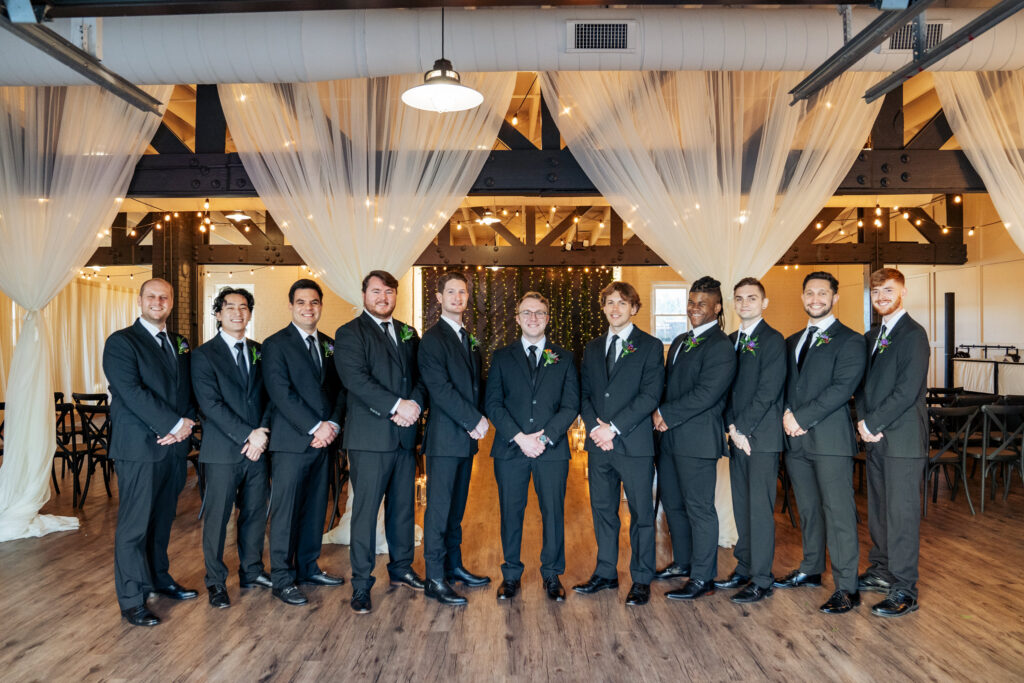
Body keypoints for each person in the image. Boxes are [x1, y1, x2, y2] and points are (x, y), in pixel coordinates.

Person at [102, 278, 198, 627]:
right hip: (141, 447)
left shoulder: (180, 343)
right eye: (152, 296)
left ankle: (159, 578)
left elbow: (187, 388)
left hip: (173, 448)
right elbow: (131, 391)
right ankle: (131, 599)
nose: (158, 301)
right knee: (134, 527)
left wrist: (185, 424)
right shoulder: (121, 342)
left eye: (164, 297)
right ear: (140, 301)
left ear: (171, 302)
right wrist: (172, 425)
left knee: (161, 521)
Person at [334, 270, 427, 615]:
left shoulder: (408, 332)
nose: (383, 297)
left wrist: (413, 406)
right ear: (364, 295)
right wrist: (396, 406)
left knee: (404, 508)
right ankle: (361, 582)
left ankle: (402, 567)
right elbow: (355, 380)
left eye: (389, 292)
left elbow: (420, 376)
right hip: (370, 437)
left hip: (404, 436)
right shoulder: (349, 334)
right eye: (376, 291)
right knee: (365, 511)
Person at [775, 271, 866, 614]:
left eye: (823, 293)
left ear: (834, 297)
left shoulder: (851, 340)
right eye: (810, 293)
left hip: (829, 440)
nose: (816, 299)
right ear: (802, 297)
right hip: (796, 442)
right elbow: (785, 385)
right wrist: (787, 414)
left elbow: (842, 388)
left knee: (838, 513)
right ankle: (811, 569)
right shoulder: (792, 340)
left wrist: (801, 418)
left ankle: (847, 587)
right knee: (809, 511)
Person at [484, 292, 580, 602]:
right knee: (511, 513)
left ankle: (552, 574)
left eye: (539, 312)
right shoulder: (501, 357)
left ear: (548, 318)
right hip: (511, 450)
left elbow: (571, 405)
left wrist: (545, 437)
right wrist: (519, 437)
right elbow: (493, 404)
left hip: (551, 451)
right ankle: (510, 574)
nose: (533, 318)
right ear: (517, 318)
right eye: (527, 312)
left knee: (553, 512)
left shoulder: (564, 357)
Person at [574, 281, 664, 606]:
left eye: (622, 303)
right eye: (610, 302)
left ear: (634, 308)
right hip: (599, 446)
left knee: (641, 514)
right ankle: (606, 572)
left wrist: (613, 428)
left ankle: (641, 578)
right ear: (604, 308)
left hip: (634, 445)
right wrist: (596, 430)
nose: (615, 308)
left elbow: (650, 395)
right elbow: (584, 393)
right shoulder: (593, 347)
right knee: (603, 511)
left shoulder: (651, 346)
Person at [262, 278, 346, 607]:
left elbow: (340, 390)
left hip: (325, 442)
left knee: (314, 509)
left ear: (320, 306)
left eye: (313, 302)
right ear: (291, 306)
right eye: (301, 302)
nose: (308, 308)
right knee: (285, 512)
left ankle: (308, 567)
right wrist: (314, 427)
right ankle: (282, 577)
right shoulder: (275, 344)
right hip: (292, 442)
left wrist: (334, 425)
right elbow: (281, 393)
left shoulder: (329, 344)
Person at [654, 276, 736, 602]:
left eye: (702, 304)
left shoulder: (721, 346)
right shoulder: (678, 341)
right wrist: (656, 414)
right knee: (673, 505)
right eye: (691, 303)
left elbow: (706, 395)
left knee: (700, 509)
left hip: (698, 442)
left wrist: (664, 414)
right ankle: (683, 562)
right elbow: (667, 386)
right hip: (669, 439)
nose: (694, 309)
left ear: (717, 308)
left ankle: (703, 577)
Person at [191, 287, 272, 609]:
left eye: (243, 307)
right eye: (230, 308)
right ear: (218, 314)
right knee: (217, 519)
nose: (237, 313)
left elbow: (269, 397)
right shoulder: (202, 355)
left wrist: (261, 434)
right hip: (222, 452)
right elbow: (209, 404)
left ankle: (251, 571)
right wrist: (247, 435)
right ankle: (215, 582)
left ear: (250, 313)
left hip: (257, 450)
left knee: (253, 514)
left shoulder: (260, 351)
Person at [855, 268, 929, 617]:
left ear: (902, 291)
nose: (881, 296)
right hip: (875, 438)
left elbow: (907, 390)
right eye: (875, 292)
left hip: (902, 440)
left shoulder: (914, 335)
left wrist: (873, 422)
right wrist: (864, 423)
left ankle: (904, 589)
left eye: (888, 290)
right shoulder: (872, 336)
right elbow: (865, 386)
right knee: (880, 510)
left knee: (901, 515)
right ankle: (883, 570)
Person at [418, 271, 490, 606]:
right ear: (439, 297)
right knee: (438, 509)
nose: (458, 297)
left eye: (462, 292)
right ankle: (434, 577)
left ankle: (454, 566)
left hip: (465, 441)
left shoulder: (468, 338)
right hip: (445, 439)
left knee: (456, 509)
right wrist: (473, 419)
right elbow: (440, 389)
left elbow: (476, 385)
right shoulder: (432, 339)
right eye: (451, 292)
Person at [720, 277, 786, 603]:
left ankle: (762, 578)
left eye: (751, 298)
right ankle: (744, 567)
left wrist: (742, 429)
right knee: (741, 506)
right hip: (737, 436)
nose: (745, 303)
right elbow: (726, 390)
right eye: (740, 298)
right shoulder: (730, 340)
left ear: (764, 302)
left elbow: (768, 391)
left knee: (760, 510)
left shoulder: (773, 340)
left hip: (761, 438)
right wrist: (732, 427)